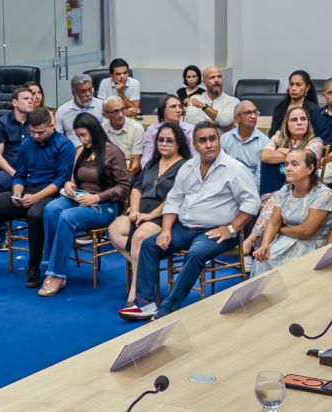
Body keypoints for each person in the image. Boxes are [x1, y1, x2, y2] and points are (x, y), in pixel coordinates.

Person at [122, 122, 259, 321]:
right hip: (184, 227)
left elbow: (252, 203)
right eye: (202, 140)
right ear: (195, 144)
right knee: (149, 245)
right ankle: (145, 304)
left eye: (212, 139)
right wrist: (166, 230)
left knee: (195, 253)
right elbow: (173, 200)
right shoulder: (188, 167)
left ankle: (168, 308)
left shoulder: (234, 168)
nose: (209, 144)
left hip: (216, 231)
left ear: (219, 141)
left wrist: (231, 228)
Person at [0, 106, 72, 287]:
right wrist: (17, 192)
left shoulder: (64, 145)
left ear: (51, 126)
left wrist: (36, 197)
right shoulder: (27, 144)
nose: (36, 136)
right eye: (33, 132)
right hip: (28, 191)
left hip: (52, 195)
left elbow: (61, 180)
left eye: (40, 132)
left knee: (35, 215)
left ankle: (34, 267)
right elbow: (20, 174)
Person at [38, 113, 130, 297]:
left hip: (104, 205)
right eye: (79, 136)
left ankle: (57, 274)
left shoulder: (113, 152)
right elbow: (74, 179)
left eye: (84, 135)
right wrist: (68, 184)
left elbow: (125, 186)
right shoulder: (81, 151)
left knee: (67, 217)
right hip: (79, 198)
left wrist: (97, 198)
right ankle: (50, 265)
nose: (82, 140)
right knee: (51, 209)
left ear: (94, 131)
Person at [108, 120, 187, 310]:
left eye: (169, 140)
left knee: (140, 237)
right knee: (114, 229)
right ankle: (145, 268)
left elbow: (175, 198)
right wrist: (135, 210)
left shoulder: (185, 166)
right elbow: (136, 188)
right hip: (141, 211)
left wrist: (150, 215)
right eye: (161, 140)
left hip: (165, 215)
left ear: (178, 143)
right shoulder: (151, 163)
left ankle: (136, 290)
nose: (164, 144)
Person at [245, 149, 332, 277]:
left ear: (310, 168)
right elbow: (273, 222)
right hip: (286, 239)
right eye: (286, 164)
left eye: (294, 164)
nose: (288, 168)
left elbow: (306, 231)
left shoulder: (322, 194)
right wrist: (264, 246)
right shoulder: (285, 190)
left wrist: (280, 229)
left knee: (280, 265)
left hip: (309, 244)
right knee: (262, 258)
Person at [257, 103, 322, 196]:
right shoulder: (279, 137)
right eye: (294, 120)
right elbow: (265, 156)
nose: (299, 123)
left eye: (303, 119)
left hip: (303, 192)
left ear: (308, 123)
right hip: (276, 188)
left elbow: (305, 160)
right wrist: (295, 158)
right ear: (286, 124)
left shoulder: (316, 143)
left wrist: (283, 151)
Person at [0, 84, 39, 182]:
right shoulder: (2, 123)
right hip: (9, 171)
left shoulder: (36, 122)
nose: (30, 101)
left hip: (34, 169)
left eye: (31, 99)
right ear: (15, 103)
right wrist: (14, 173)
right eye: (26, 98)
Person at [267, 70, 327, 144]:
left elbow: (317, 136)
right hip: (280, 146)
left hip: (305, 147)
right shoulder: (280, 108)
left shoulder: (314, 110)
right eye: (291, 84)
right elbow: (272, 133)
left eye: (298, 85)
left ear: (307, 87)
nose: (294, 88)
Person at [140, 92, 196, 168]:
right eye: (173, 107)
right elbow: (147, 157)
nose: (178, 110)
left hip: (183, 168)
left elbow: (194, 157)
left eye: (180, 107)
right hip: (158, 168)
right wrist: (148, 172)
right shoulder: (152, 130)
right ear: (163, 110)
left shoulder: (190, 129)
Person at [222, 101, 269, 176]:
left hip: (250, 181)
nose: (253, 116)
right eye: (248, 113)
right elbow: (220, 166)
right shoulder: (225, 138)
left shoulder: (264, 141)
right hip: (227, 178)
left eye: (255, 112)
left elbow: (260, 174)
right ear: (236, 119)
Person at [54, 73, 105, 139]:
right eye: (83, 91)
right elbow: (58, 138)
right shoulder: (62, 111)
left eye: (90, 90)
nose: (88, 94)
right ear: (73, 93)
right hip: (73, 145)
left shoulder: (102, 105)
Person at [100, 95, 145, 163]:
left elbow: (136, 163)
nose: (121, 115)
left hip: (128, 167)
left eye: (123, 109)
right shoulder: (101, 129)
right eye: (115, 111)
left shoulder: (136, 129)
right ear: (105, 115)